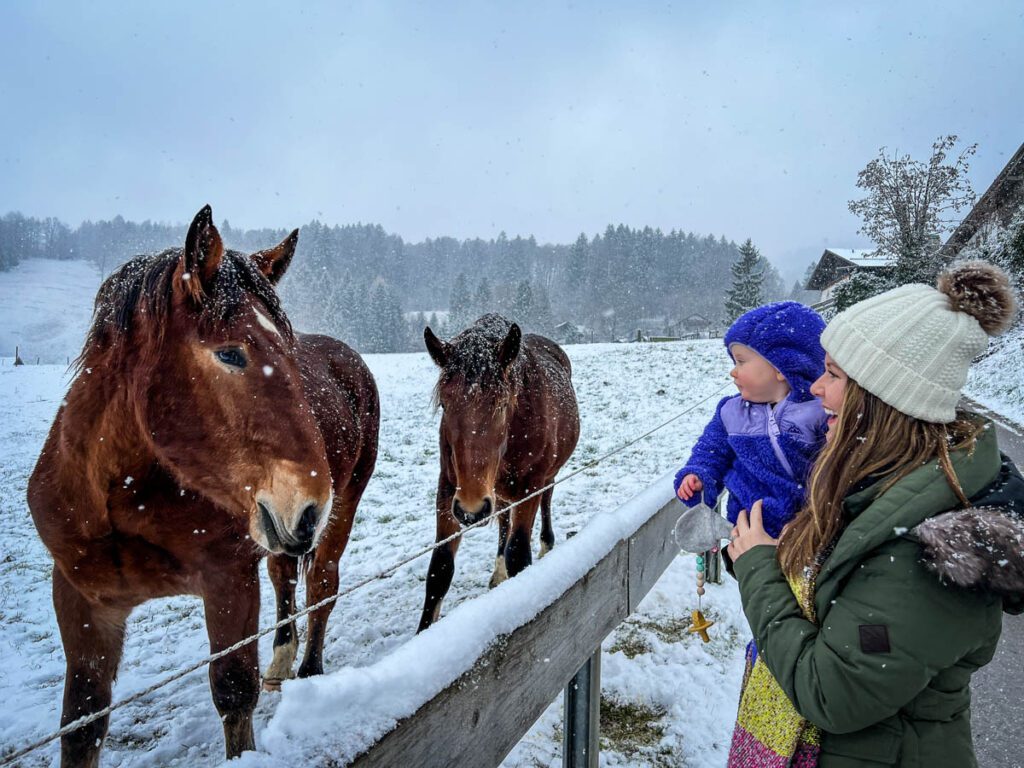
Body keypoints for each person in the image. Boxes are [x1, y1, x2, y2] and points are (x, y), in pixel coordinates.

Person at [727, 261, 1024, 767]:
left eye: (834, 374)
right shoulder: (883, 486)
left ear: (883, 399)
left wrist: (758, 569)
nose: (816, 388)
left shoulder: (936, 547)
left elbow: (832, 691)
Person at [675, 301, 828, 539]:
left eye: (741, 361)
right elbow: (710, 452)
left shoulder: (821, 412)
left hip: (809, 532)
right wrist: (699, 476)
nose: (733, 371)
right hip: (745, 533)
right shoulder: (730, 413)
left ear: (781, 367)